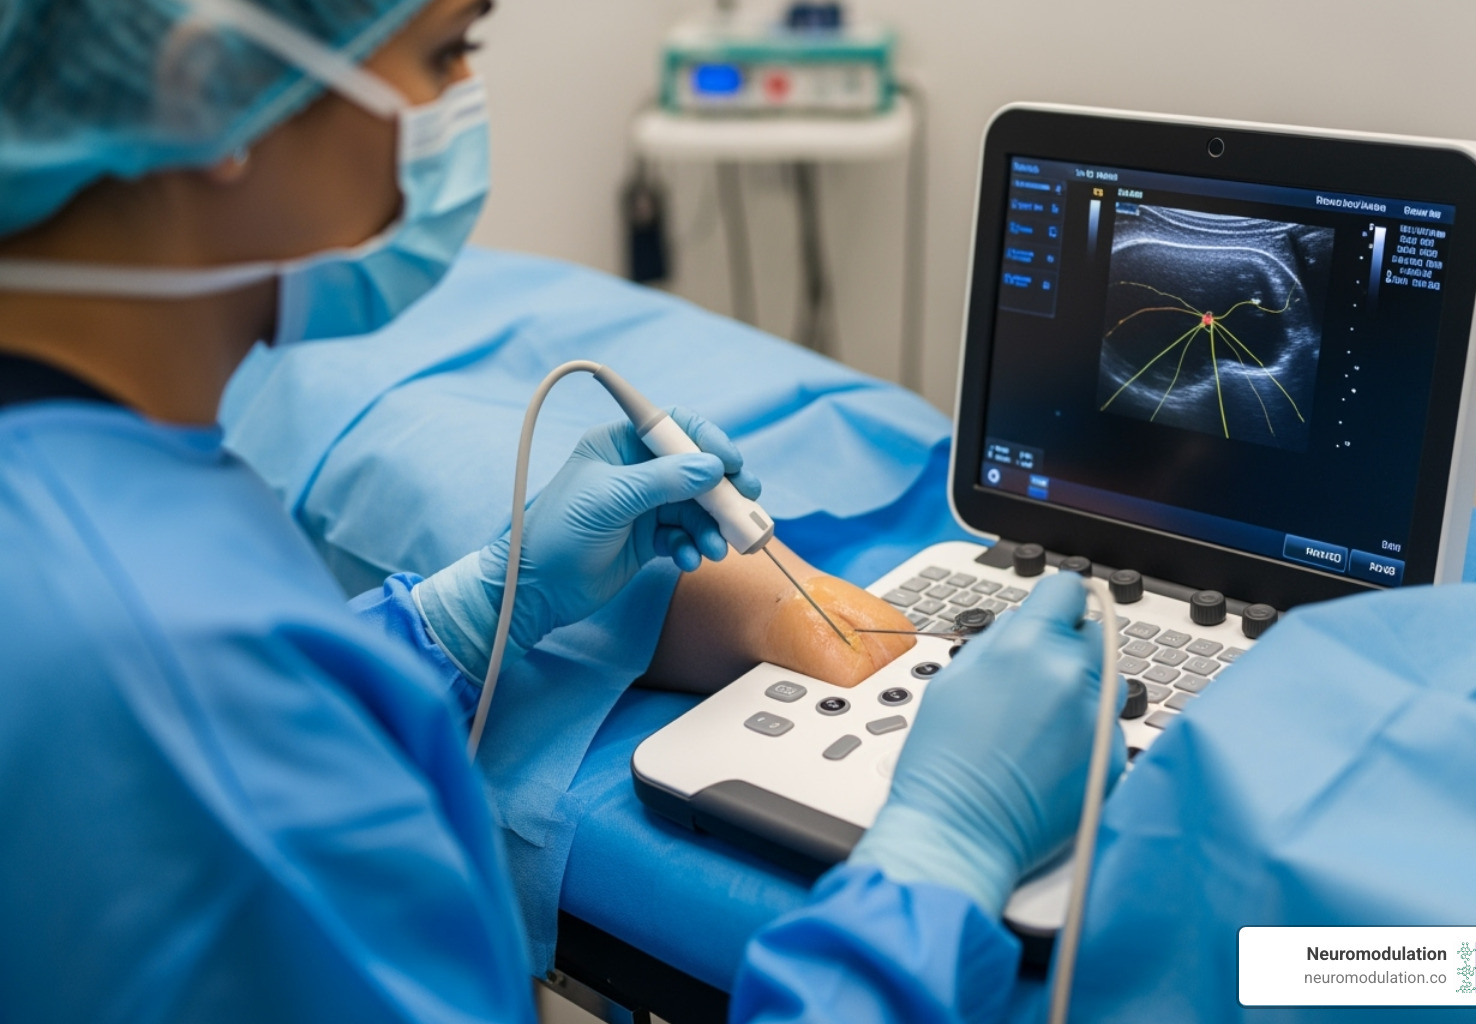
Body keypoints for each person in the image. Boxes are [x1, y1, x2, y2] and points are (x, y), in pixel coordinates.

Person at [0, 1, 1121, 1021]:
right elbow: (215, 721)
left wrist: (458, 615)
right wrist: (935, 864)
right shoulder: (180, 670)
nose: (461, 106)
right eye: (446, 51)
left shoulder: (88, 515)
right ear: (208, 97)